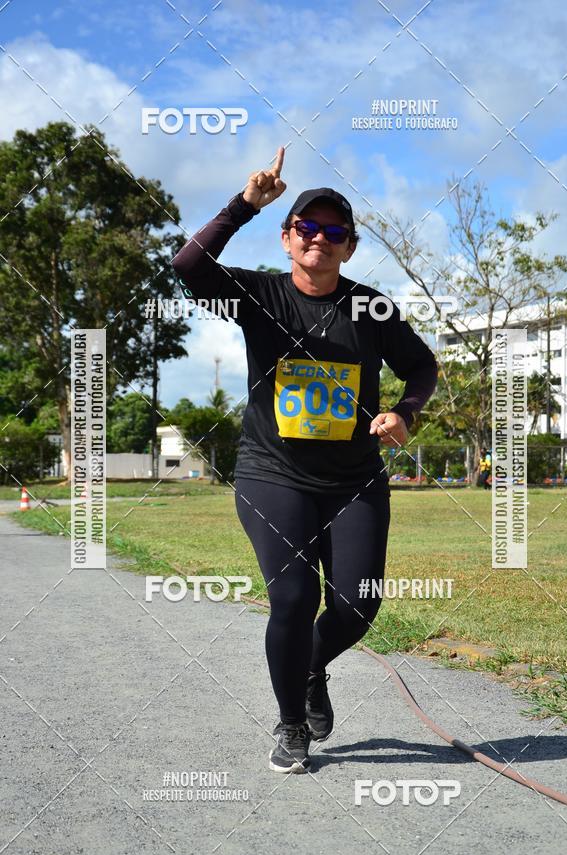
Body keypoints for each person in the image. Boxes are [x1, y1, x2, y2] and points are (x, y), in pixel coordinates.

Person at [171, 147, 438, 774]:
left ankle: (312, 664)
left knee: (358, 604)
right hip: (273, 475)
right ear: (288, 237)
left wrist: (405, 411)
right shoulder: (257, 295)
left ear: (349, 246)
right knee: (291, 597)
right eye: (307, 228)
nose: (320, 238)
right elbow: (187, 266)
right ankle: (292, 724)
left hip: (355, 480)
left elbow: (422, 367)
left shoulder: (371, 308)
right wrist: (244, 205)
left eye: (334, 232)